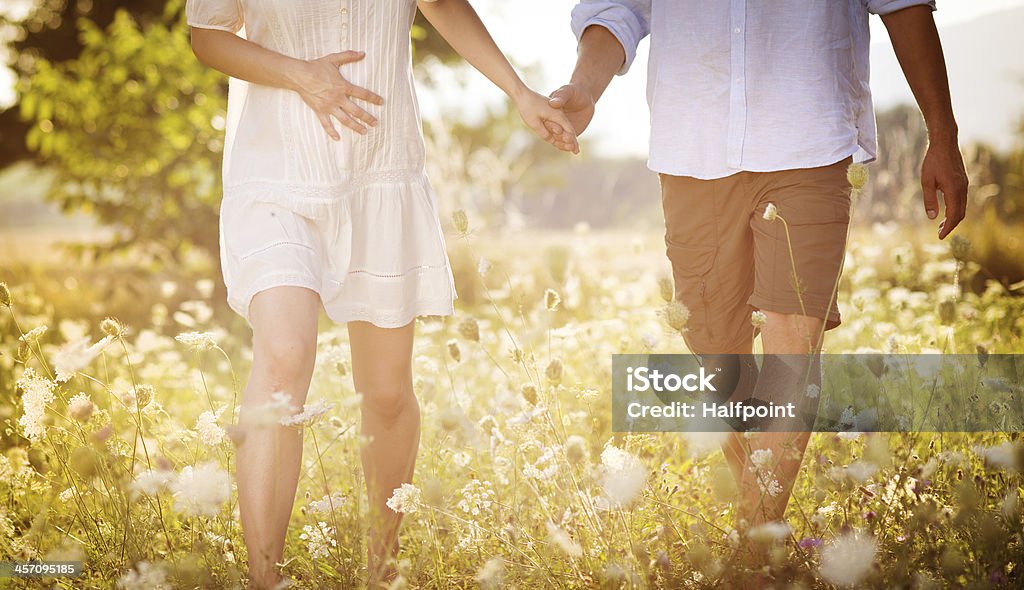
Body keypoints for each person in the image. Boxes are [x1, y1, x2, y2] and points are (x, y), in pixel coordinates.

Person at [185, 1, 578, 587]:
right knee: (284, 360)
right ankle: (264, 578)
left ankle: (382, 566)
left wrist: (520, 93)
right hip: (276, 171)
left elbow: (441, 3)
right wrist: (301, 74)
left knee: (388, 394)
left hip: (379, 170)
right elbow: (206, 36)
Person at [546, 0, 968, 531]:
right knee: (714, 351)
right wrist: (585, 86)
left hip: (808, 138)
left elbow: (903, 5)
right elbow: (619, 8)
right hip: (692, 145)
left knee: (793, 340)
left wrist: (943, 134)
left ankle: (755, 545)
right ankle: (761, 519)